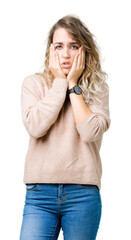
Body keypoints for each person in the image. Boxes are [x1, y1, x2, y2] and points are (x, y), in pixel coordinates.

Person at [19, 14, 111, 240]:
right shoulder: (34, 83)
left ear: (84, 50)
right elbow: (36, 127)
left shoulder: (97, 88)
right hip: (39, 195)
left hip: (83, 194)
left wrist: (73, 85)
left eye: (73, 46)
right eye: (59, 46)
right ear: (51, 50)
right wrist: (60, 82)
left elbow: (89, 132)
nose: (66, 54)